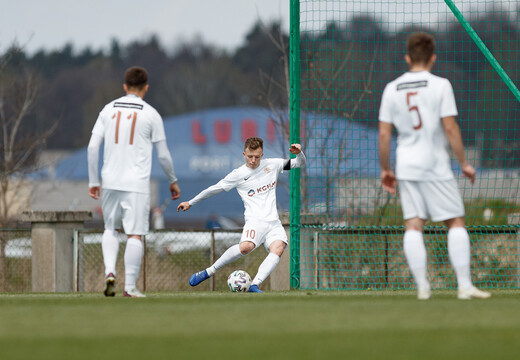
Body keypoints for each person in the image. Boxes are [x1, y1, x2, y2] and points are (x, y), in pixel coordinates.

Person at [378, 32, 490, 300]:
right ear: (433, 58)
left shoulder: (392, 88)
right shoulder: (441, 85)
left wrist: (385, 169)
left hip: (406, 164)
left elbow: (383, 135)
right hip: (435, 163)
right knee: (455, 222)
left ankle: (422, 288)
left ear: (407, 58)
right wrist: (463, 162)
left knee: (414, 225)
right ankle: (464, 286)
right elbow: (450, 127)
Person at [88, 66, 181, 298]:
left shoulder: (107, 110)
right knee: (135, 234)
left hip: (109, 180)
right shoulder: (151, 114)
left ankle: (110, 272)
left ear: (124, 86)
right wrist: (172, 180)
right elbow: (163, 155)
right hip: (136, 184)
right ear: (146, 87)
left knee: (110, 228)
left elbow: (92, 147)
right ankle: (129, 287)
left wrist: (93, 180)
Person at [177, 137, 306, 292]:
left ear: (262, 155)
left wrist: (299, 153)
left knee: (278, 248)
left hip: (273, 222)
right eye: (250, 156)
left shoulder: (272, 165)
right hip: (255, 221)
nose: (253, 160)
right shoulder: (238, 174)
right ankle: (208, 272)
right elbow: (213, 189)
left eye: (257, 157)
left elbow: (299, 163)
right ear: (244, 154)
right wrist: (190, 202)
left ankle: (254, 285)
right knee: (246, 247)